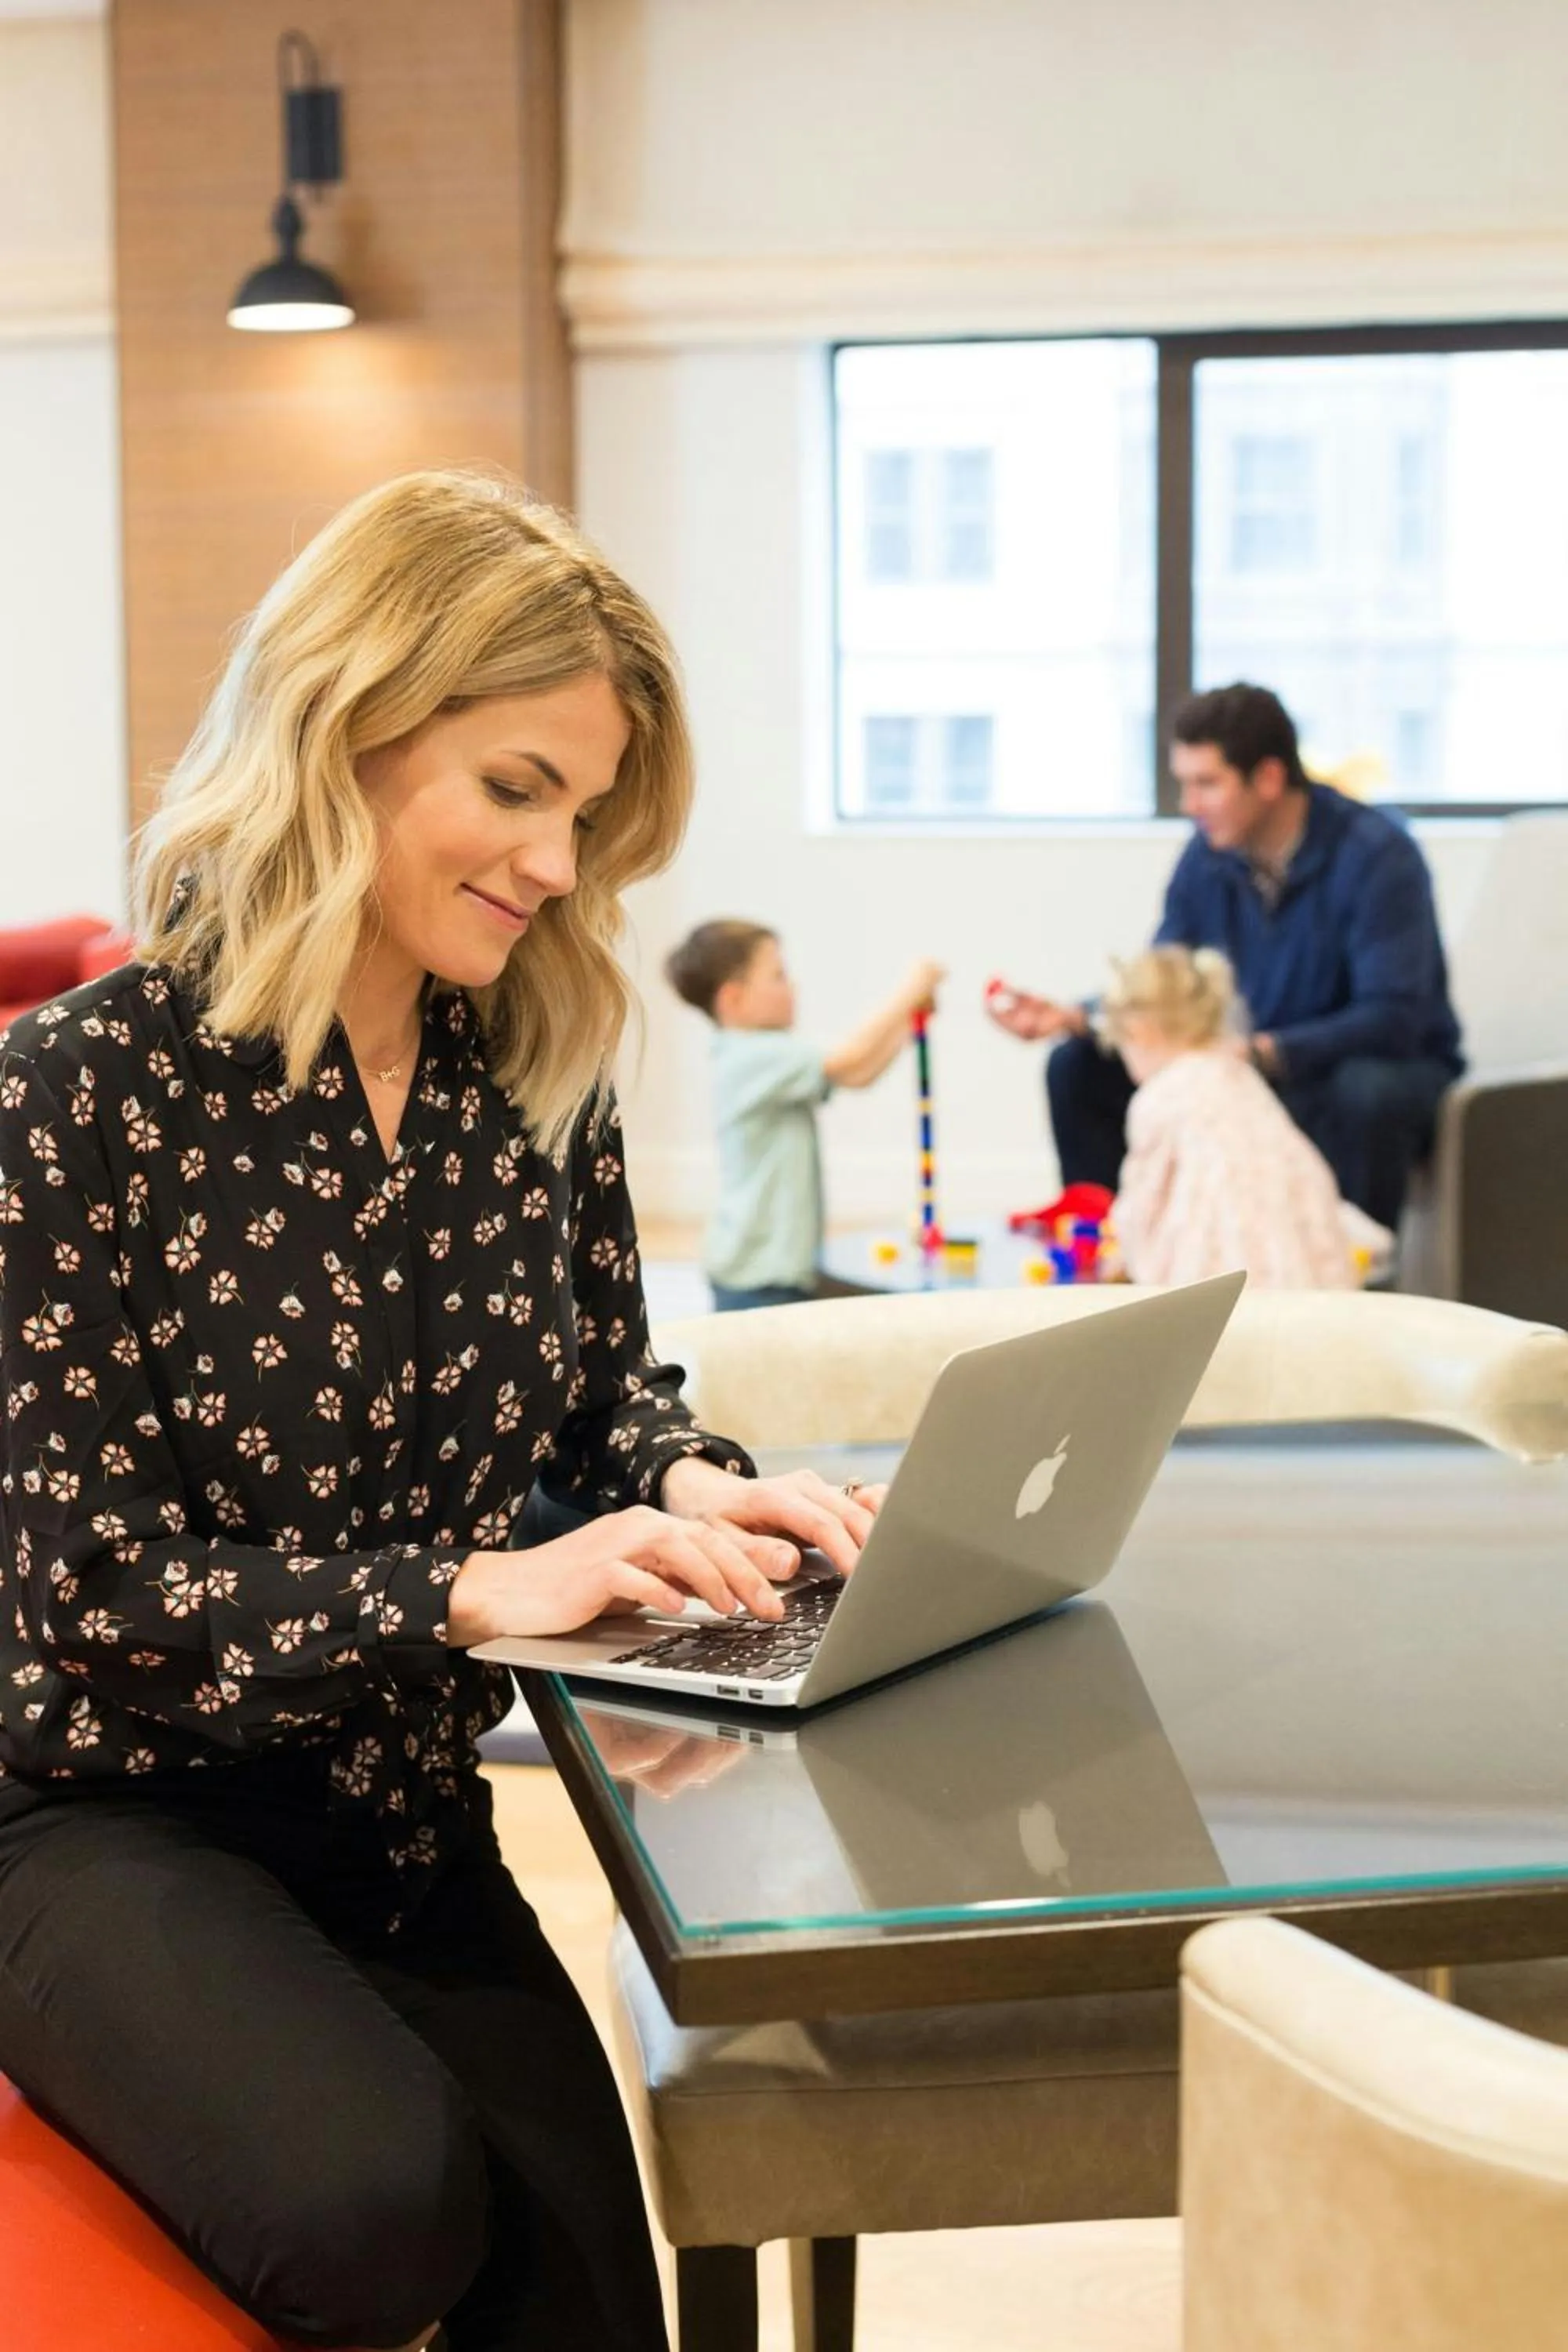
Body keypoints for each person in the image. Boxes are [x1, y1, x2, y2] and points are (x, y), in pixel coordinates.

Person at [0, 471, 887, 2352]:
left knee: (588, 2309)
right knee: (377, 2207)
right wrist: (475, 1590)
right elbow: (91, 1590)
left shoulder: (534, 1071)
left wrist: (694, 1488)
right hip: (106, 1821)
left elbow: (602, 1392)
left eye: (584, 815)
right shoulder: (68, 1097)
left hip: (407, 1816)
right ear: (345, 726)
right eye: (515, 789)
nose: (558, 864)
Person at [986, 682, 1464, 1233]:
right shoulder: (1207, 858)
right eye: (1184, 784)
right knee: (1078, 1066)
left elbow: (1393, 1018)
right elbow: (1166, 984)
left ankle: (1356, 1269)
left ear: (1269, 778)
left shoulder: (1378, 855)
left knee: (1365, 1091)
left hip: (1359, 1070)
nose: (1189, 805)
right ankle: (1114, 1249)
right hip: (1247, 1064)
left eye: (1207, 784)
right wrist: (1076, 1017)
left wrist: (1261, 1053)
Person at [665, 920, 944, 1310]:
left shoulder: (769, 1052)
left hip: (775, 1270)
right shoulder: (750, 1057)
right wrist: (909, 991)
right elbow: (851, 1059)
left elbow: (858, 1074)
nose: (792, 986)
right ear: (733, 999)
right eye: (778, 976)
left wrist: (905, 1024)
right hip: (757, 1277)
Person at [1099, 945, 1392, 1288]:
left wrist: (1122, 1249)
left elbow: (1147, 1197)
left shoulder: (1158, 1097)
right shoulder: (1239, 1073)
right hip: (1301, 1245)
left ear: (1140, 1032)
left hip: (1220, 1265)